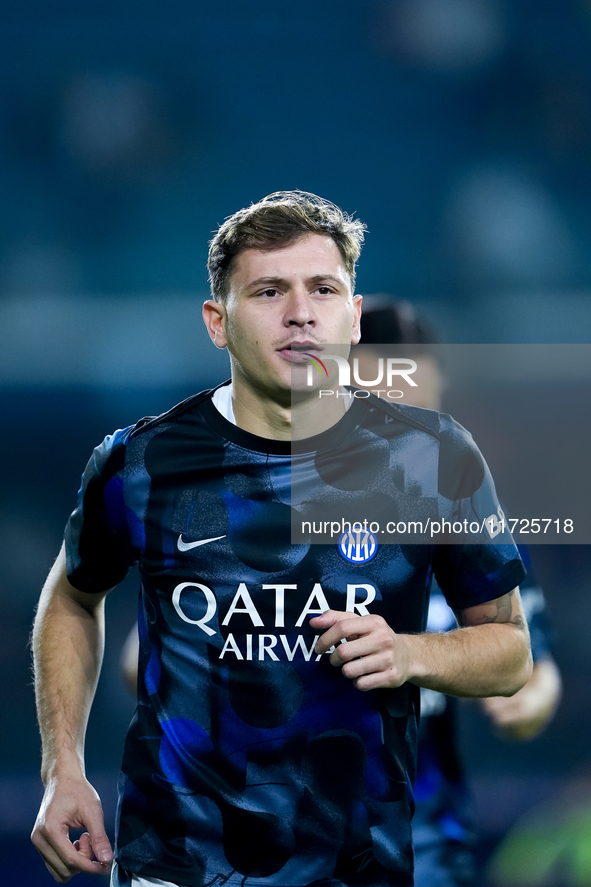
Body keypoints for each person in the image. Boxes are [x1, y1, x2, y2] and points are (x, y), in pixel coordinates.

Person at [31, 191, 532, 887]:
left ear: (352, 318)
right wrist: (63, 770)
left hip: (356, 866)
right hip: (175, 861)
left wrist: (410, 651)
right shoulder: (142, 460)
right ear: (217, 321)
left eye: (322, 288)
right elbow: (72, 596)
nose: (300, 311)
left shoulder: (432, 457)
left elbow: (509, 653)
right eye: (269, 290)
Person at [355, 296, 562, 887]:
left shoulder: (470, 521)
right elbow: (154, 653)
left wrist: (527, 697)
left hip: (424, 845)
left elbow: (533, 664)